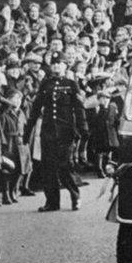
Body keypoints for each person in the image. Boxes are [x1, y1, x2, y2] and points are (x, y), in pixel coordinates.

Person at [30, 55, 84, 212]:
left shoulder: (71, 84)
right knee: (48, 168)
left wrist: (83, 129)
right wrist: (28, 131)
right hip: (48, 132)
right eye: (53, 64)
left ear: (65, 66)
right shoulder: (45, 84)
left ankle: (75, 195)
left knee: (64, 166)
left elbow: (79, 108)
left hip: (65, 132)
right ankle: (52, 202)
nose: (56, 67)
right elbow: (36, 108)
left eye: (59, 64)